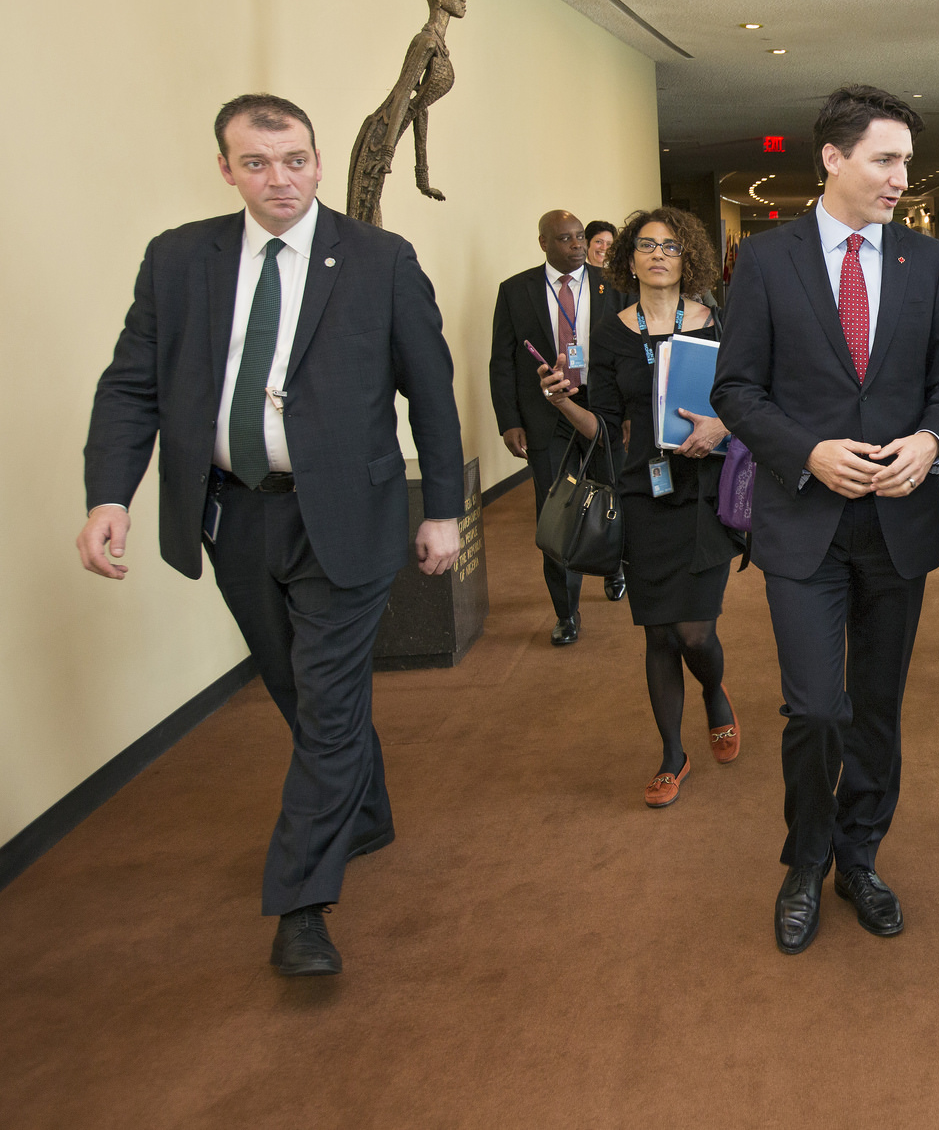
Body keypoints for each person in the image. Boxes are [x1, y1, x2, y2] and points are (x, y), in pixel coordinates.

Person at [80, 94, 462, 976]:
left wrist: (441, 508)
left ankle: (300, 903)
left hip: (349, 516)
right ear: (226, 169)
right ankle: (364, 812)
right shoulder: (179, 260)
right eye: (255, 163)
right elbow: (131, 384)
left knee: (328, 704)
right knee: (297, 689)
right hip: (232, 513)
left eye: (293, 159)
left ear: (319, 162)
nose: (277, 178)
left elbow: (431, 392)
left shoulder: (380, 259)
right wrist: (111, 494)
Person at [710, 85, 939, 956]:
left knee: (879, 710)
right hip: (803, 523)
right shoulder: (767, 260)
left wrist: (932, 442)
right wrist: (806, 451)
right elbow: (735, 388)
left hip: (897, 523)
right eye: (884, 159)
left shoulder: (929, 265)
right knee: (816, 708)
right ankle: (804, 859)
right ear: (832, 157)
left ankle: (859, 858)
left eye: (905, 161)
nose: (902, 176)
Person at [540, 208, 742, 805]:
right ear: (629, 258)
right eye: (648, 245)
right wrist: (560, 402)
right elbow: (603, 425)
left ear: (689, 259)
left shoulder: (716, 323)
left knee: (696, 633)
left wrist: (722, 426)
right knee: (659, 632)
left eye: (672, 246)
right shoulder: (609, 334)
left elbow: (750, 400)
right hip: (644, 490)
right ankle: (672, 755)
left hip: (704, 492)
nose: (659, 254)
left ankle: (714, 693)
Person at [490, 209, 629, 645]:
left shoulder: (614, 286)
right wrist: (509, 420)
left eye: (580, 237)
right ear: (543, 243)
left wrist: (630, 412)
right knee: (556, 511)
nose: (577, 245)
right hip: (546, 416)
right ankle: (566, 612)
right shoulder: (516, 291)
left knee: (613, 494)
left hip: (602, 409)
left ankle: (614, 567)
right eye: (566, 239)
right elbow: (502, 360)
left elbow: (629, 350)